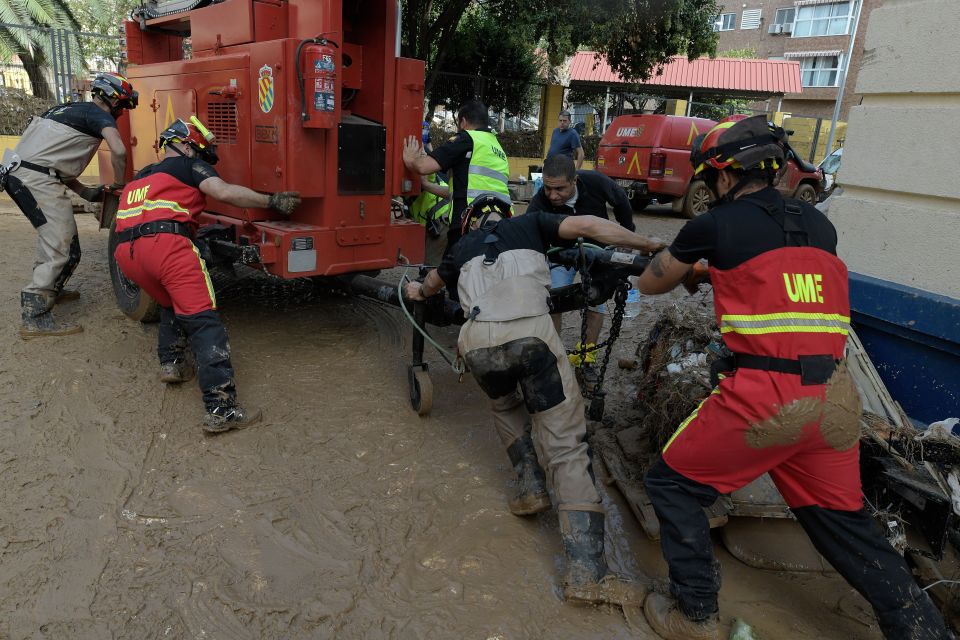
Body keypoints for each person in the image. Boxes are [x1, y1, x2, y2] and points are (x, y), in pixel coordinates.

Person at [636, 115, 950, 640]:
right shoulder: (821, 226)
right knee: (844, 524)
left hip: (766, 398)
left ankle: (694, 615)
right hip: (834, 398)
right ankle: (923, 630)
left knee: (671, 487)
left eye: (712, 178)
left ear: (726, 176)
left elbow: (651, 284)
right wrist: (716, 270)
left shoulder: (712, 226)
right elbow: (780, 277)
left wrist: (689, 262)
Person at [405, 195, 664, 611]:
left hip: (477, 344)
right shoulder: (533, 224)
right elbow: (589, 227)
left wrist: (417, 288)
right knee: (564, 445)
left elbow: (429, 286)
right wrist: (648, 244)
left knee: (504, 406)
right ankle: (586, 573)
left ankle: (529, 488)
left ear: (470, 224)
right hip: (531, 337)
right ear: (508, 217)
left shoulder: (459, 250)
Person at [114, 117, 301, 433]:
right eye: (198, 152)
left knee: (173, 302)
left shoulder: (141, 177)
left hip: (127, 252)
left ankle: (172, 363)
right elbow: (225, 193)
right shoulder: (188, 166)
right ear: (186, 145)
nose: (200, 158)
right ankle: (222, 410)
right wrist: (272, 201)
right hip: (167, 245)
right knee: (204, 321)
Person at [1, 72, 136, 338]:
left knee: (66, 242)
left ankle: (53, 290)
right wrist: (120, 186)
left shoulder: (66, 109)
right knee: (59, 243)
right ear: (114, 100)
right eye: (123, 105)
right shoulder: (99, 115)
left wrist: (86, 192)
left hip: (25, 173)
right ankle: (35, 315)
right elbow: (119, 151)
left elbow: (52, 163)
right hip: (35, 178)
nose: (122, 112)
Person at [527, 154, 636, 385]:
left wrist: (628, 236)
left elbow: (621, 201)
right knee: (553, 299)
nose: (553, 195)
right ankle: (555, 357)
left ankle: (587, 357)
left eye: (560, 189)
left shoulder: (596, 182)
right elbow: (528, 232)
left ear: (575, 180)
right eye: (548, 188)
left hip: (598, 251)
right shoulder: (540, 201)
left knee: (597, 299)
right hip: (561, 254)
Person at [402, 99, 511, 252]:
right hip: (498, 223)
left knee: (453, 272)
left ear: (463, 122)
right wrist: (427, 185)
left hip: (468, 225)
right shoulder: (497, 149)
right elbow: (463, 190)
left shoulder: (467, 139)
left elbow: (423, 167)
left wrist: (411, 159)